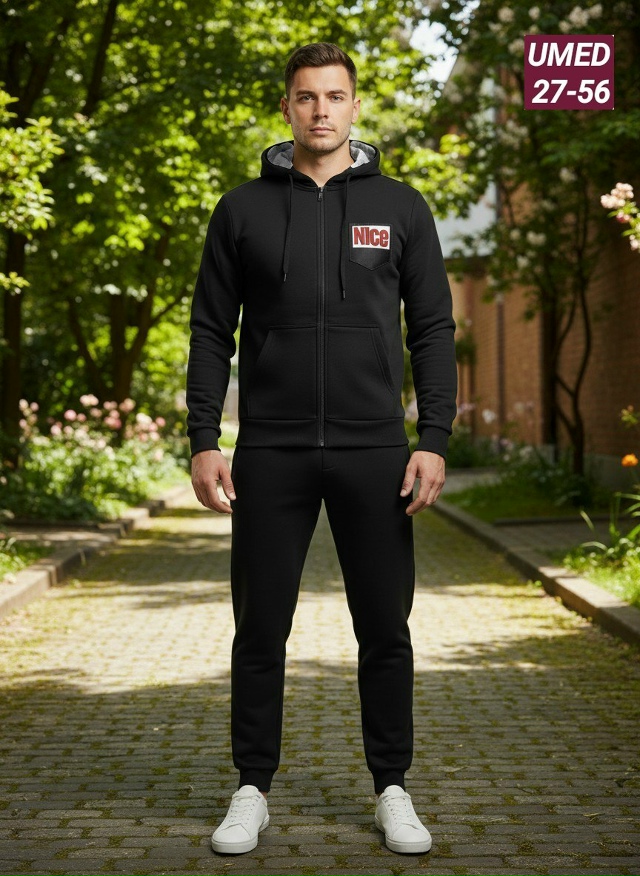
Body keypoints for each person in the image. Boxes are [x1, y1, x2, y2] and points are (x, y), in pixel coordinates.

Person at [186, 42, 457, 856]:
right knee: (259, 628)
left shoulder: (402, 207)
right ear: (287, 108)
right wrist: (205, 438)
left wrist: (433, 439)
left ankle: (392, 788)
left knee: (386, 628)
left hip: (376, 450)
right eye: (306, 97)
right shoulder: (241, 210)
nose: (321, 111)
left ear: (355, 106)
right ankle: (251, 789)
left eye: (335, 96)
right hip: (270, 449)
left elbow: (433, 329)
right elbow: (211, 331)